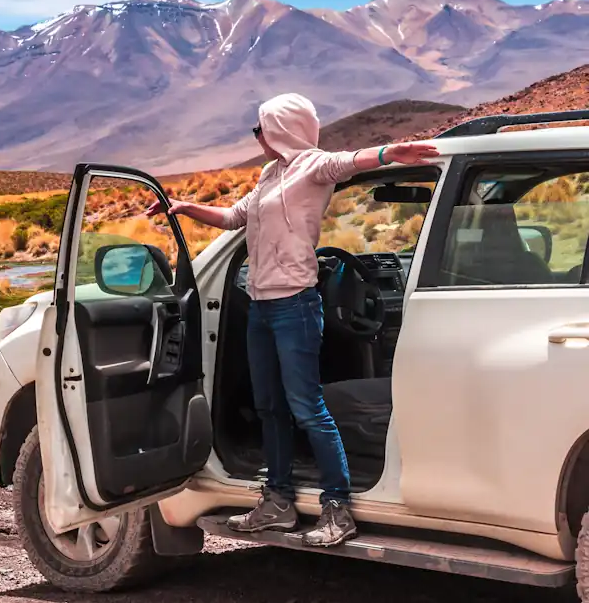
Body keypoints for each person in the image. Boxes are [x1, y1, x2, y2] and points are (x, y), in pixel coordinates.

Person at [145, 92, 438, 547]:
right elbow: (233, 217)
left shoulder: (312, 166)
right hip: (261, 307)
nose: (257, 137)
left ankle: (337, 507)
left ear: (282, 128)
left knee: (307, 407)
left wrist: (390, 154)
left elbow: (349, 161)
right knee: (269, 406)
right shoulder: (270, 174)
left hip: (295, 306)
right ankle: (277, 501)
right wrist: (183, 207)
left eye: (260, 128)